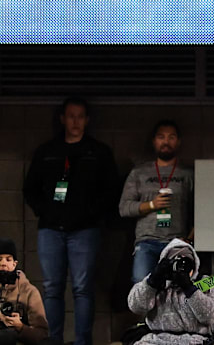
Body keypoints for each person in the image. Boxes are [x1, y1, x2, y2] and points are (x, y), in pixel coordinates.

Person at [23, 97, 119, 345]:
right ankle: (53, 340)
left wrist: (90, 213)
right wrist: (45, 211)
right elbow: (30, 188)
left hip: (85, 230)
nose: (75, 121)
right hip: (50, 230)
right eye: (71, 116)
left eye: (80, 116)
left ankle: (82, 341)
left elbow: (110, 191)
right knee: (52, 289)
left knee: (82, 289)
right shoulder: (47, 151)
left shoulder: (98, 152)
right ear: (62, 119)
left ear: (87, 120)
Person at [119, 120, 195, 284]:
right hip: (146, 241)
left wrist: (189, 239)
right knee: (141, 286)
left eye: (171, 137)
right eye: (161, 137)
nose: (166, 142)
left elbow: (200, 210)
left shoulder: (188, 174)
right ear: (154, 141)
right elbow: (124, 208)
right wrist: (152, 205)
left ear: (178, 142)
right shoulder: (139, 173)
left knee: (177, 290)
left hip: (177, 242)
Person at [127, 238, 214, 345]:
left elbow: (210, 317)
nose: (181, 268)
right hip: (157, 340)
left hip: (195, 340)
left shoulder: (207, 282)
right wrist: (152, 282)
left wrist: (189, 288)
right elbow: (136, 307)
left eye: (186, 264)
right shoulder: (156, 279)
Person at [0, 238, 49, 345]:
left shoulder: (29, 292)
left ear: (14, 263)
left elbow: (42, 335)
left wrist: (20, 327)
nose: (3, 264)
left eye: (8, 260)